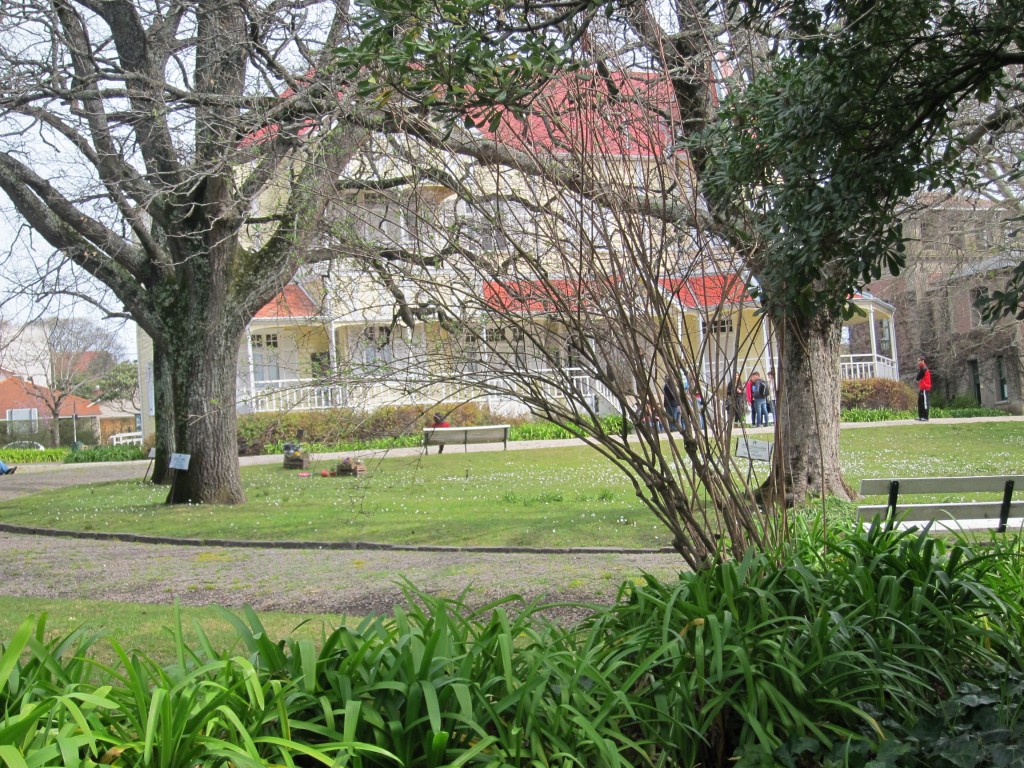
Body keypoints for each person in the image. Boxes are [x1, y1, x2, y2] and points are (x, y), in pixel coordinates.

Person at [915, 357, 931, 421]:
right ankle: (921, 416)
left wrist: (917, 379)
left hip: (925, 388)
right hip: (922, 388)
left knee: (924, 402)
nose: (918, 362)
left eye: (919, 360)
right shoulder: (921, 368)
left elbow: (918, 377)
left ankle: (925, 417)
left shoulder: (924, 368)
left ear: (922, 361)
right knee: (920, 402)